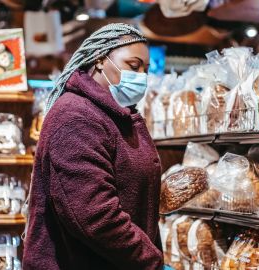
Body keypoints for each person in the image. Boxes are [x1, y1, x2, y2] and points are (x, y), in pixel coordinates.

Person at [23, 23, 163, 270]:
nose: (141, 76)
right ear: (100, 59)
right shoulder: (77, 117)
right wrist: (151, 261)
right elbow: (95, 216)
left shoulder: (113, 115)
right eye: (133, 65)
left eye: (145, 69)